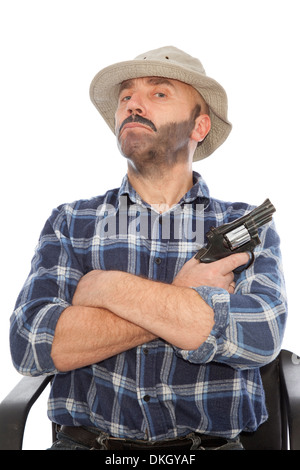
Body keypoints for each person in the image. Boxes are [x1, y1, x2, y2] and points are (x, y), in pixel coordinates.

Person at [10, 46, 287, 451]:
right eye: (125, 97)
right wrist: (186, 301)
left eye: (158, 94)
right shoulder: (71, 221)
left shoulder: (242, 227)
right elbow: (31, 342)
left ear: (199, 127)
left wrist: (104, 289)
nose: (132, 104)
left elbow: (261, 336)